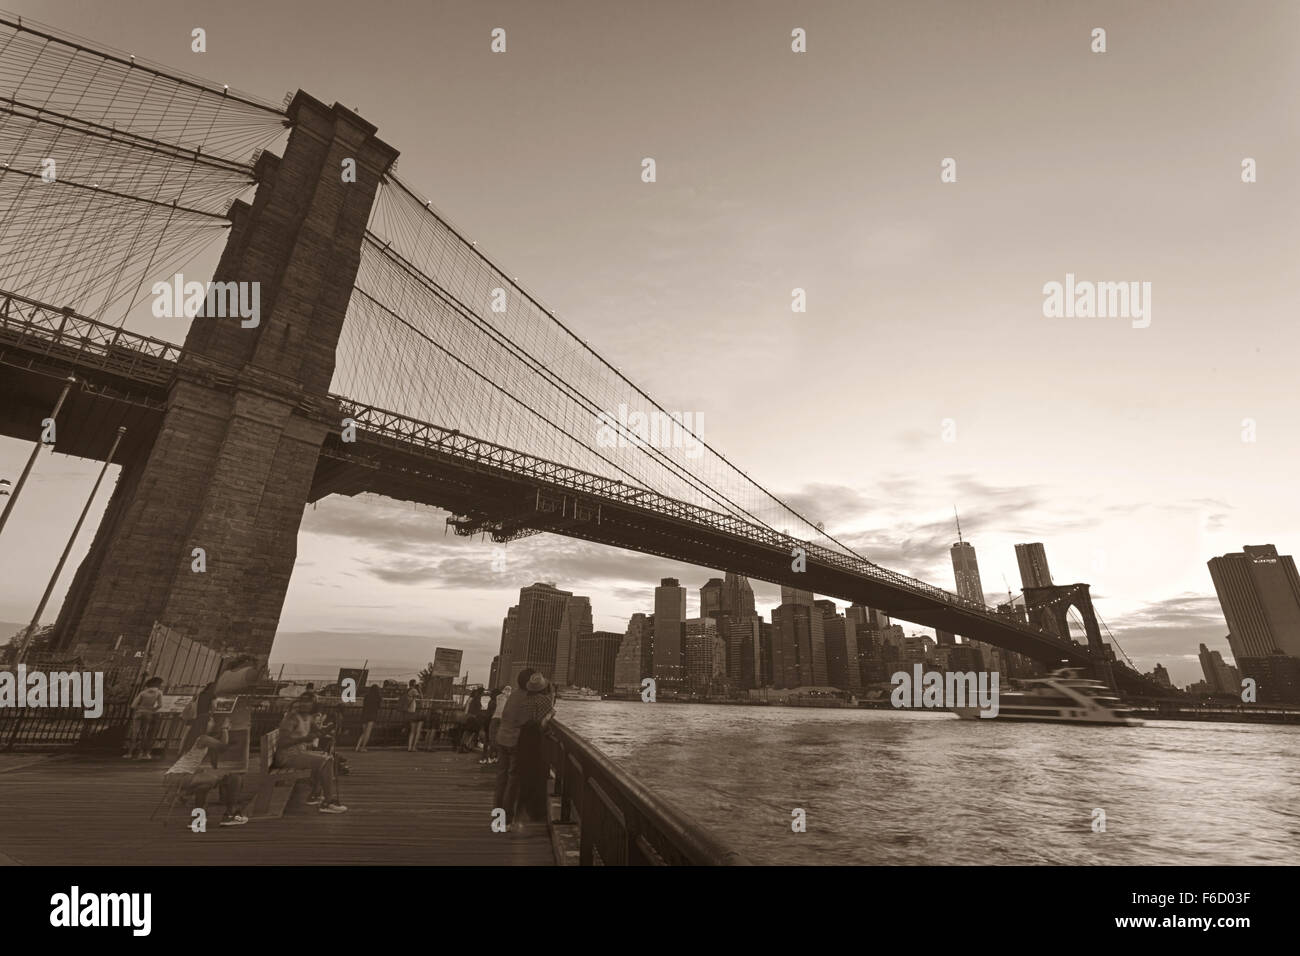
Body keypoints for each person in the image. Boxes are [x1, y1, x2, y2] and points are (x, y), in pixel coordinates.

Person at [494, 669, 556, 831]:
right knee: (513, 780)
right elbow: (535, 723)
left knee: (501, 779)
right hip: (515, 741)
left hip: (502, 738)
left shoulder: (514, 695)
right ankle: (506, 819)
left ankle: (497, 818)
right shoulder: (531, 698)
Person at [162, 713, 248, 826]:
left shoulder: (191, 737)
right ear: (204, 724)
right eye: (211, 721)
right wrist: (225, 728)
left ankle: (197, 818)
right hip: (182, 777)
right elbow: (223, 747)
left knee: (204, 785)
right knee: (235, 778)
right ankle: (229, 815)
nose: (212, 724)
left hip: (172, 777)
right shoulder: (203, 738)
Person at [274, 693, 346, 813]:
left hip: (298, 753)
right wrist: (304, 739)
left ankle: (315, 795)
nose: (304, 703)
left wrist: (333, 726)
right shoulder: (291, 718)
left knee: (328, 757)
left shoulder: (308, 718)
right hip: (286, 756)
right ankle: (327, 802)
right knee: (326, 761)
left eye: (308, 701)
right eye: (303, 700)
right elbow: (282, 742)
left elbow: (319, 733)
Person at [513, 672, 557, 830]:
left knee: (525, 774)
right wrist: (551, 712)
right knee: (537, 774)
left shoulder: (525, 700)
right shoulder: (544, 700)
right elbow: (544, 724)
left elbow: (519, 721)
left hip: (523, 739)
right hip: (536, 740)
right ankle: (535, 812)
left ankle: (520, 811)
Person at [125, 676, 165, 760]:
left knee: (134, 733)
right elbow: (160, 705)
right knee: (144, 734)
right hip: (149, 713)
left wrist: (140, 708)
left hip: (139, 713)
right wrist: (153, 709)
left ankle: (129, 753)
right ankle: (142, 754)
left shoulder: (142, 693)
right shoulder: (159, 693)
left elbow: (133, 705)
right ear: (157, 684)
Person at [355, 684, 381, 752]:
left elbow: (364, 705)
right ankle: (363, 747)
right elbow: (378, 707)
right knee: (368, 732)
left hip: (364, 715)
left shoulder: (367, 696)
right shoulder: (378, 697)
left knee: (363, 732)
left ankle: (357, 747)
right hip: (372, 715)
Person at [479, 687, 501, 765]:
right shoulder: (495, 703)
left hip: (487, 721)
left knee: (487, 740)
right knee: (492, 739)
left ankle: (485, 756)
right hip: (491, 721)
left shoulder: (491, 701)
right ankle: (490, 756)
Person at [460, 686, 483, 754]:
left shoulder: (472, 698)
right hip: (473, 717)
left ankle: (463, 745)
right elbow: (477, 708)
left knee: (467, 731)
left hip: (469, 716)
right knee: (471, 732)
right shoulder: (477, 698)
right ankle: (466, 745)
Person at [404, 680, 423, 752]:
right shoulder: (414, 691)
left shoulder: (407, 690)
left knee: (412, 731)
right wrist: (420, 689)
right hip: (415, 712)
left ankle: (409, 747)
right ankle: (414, 747)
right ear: (414, 684)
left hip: (409, 712)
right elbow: (421, 698)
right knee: (416, 731)